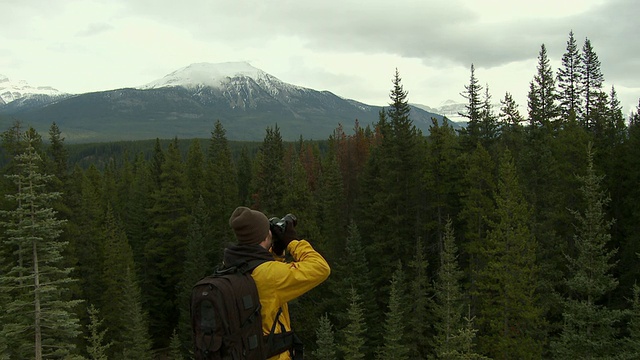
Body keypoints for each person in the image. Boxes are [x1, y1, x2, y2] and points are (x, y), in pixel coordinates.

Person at [224, 206, 331, 360]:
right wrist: (292, 241)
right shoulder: (269, 275)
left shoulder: (230, 265)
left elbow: (264, 278)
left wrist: (276, 252)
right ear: (263, 237)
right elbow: (321, 268)